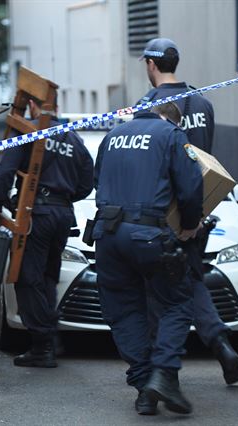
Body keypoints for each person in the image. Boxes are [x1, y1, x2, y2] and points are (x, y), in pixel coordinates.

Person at [138, 37, 238, 385]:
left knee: (159, 294)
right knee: (192, 280)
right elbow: (206, 161)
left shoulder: (145, 106)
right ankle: (220, 342)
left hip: (160, 212)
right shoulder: (203, 102)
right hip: (196, 209)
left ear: (151, 65)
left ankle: (162, 376)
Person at [92, 102, 203, 416]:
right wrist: (190, 224)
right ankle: (164, 375)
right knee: (177, 302)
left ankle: (144, 390)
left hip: (108, 235)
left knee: (124, 309)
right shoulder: (171, 134)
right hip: (149, 234)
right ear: (164, 114)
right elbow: (191, 186)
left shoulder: (112, 136)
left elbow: (97, 181)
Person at [0, 98, 94, 368]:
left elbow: (4, 172)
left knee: (26, 277)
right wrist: (63, 196)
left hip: (37, 214)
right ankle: (47, 335)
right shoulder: (73, 137)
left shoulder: (26, 130)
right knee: (47, 276)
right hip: (62, 214)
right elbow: (86, 184)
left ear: (32, 103)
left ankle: (43, 341)